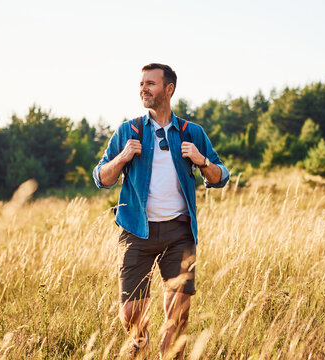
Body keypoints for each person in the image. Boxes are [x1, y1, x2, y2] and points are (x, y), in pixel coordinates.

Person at [93, 63, 229, 359]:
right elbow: (102, 179)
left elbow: (220, 177)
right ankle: (139, 345)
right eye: (142, 83)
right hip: (136, 231)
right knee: (130, 313)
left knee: (177, 317)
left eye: (151, 83)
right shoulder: (128, 130)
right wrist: (123, 157)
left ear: (169, 89)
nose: (144, 88)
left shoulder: (191, 132)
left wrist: (202, 160)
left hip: (178, 234)